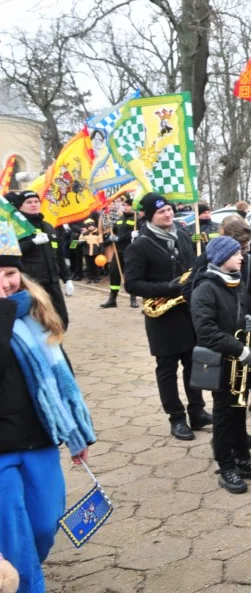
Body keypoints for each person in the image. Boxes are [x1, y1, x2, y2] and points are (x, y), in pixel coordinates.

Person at [0, 221, 95, 593]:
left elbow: (62, 376)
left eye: (10, 273)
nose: (6, 283)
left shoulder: (34, 313)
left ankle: (18, 571)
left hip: (39, 439)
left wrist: (76, 432)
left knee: (45, 523)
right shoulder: (10, 314)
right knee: (16, 537)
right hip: (1, 451)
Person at [124, 192, 210, 440]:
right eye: (161, 212)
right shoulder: (139, 245)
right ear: (149, 216)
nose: (168, 214)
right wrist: (169, 287)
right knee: (167, 368)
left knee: (193, 363)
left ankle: (197, 411)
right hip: (162, 314)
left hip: (188, 310)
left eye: (169, 210)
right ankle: (176, 417)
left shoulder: (183, 235)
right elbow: (132, 284)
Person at [190, 236, 251, 494]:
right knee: (224, 413)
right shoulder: (205, 288)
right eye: (236, 254)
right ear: (222, 258)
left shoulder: (236, 282)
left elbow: (248, 308)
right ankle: (226, 466)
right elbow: (206, 330)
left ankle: (243, 458)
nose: (242, 257)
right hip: (222, 361)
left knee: (239, 410)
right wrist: (239, 348)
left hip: (241, 362)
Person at [186, 216, 251, 417]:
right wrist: (217, 314)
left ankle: (247, 414)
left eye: (247, 245)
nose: (245, 252)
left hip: (246, 330)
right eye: (240, 248)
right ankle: (226, 437)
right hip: (222, 336)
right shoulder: (208, 260)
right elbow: (190, 290)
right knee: (226, 396)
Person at [8, 191, 71, 328]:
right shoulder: (16, 227)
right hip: (32, 283)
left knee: (61, 319)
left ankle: (56, 345)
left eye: (36, 201)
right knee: (39, 321)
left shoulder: (48, 226)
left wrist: (67, 278)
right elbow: (11, 253)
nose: (34, 205)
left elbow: (58, 255)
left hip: (53, 281)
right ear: (20, 206)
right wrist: (31, 242)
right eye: (29, 202)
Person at [99, 201, 138, 309]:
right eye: (125, 205)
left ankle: (133, 298)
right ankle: (112, 299)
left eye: (128, 205)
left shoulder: (136, 218)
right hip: (118, 251)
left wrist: (122, 238)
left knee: (130, 274)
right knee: (114, 272)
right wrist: (111, 234)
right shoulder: (121, 219)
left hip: (130, 250)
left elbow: (136, 232)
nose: (126, 207)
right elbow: (115, 231)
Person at [77, 219, 103, 284]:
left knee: (96, 265)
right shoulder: (84, 234)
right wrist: (83, 242)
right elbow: (80, 240)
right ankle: (90, 277)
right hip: (87, 251)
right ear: (87, 227)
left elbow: (101, 242)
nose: (91, 227)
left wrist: (101, 250)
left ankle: (96, 277)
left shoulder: (98, 233)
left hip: (95, 251)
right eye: (89, 226)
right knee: (89, 265)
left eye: (92, 226)